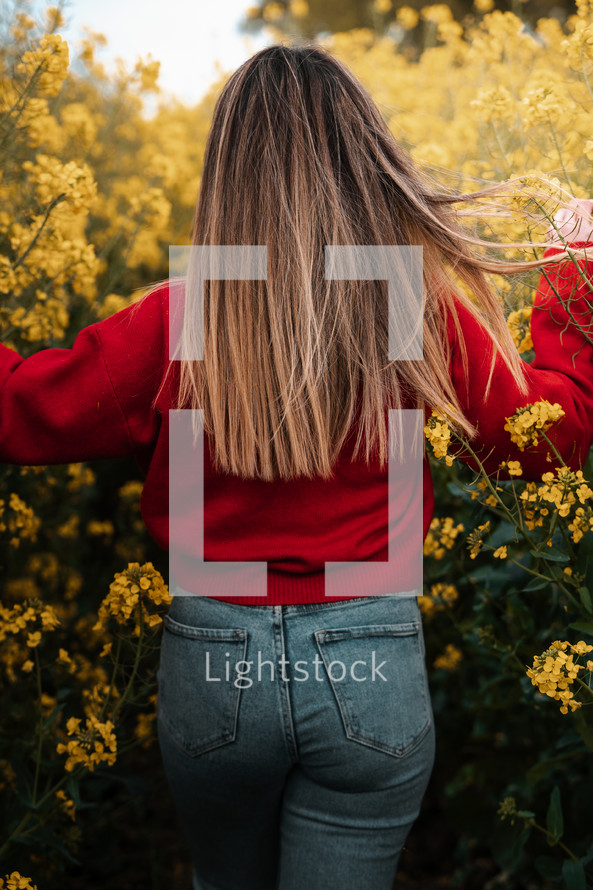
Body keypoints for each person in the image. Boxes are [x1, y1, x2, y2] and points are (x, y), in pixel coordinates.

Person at [2, 43, 593, 890]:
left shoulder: (187, 312)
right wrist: (572, 287)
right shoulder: (404, 303)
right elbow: (550, 441)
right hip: (368, 656)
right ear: (366, 162)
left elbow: (22, 411)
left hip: (211, 663)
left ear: (227, 172)